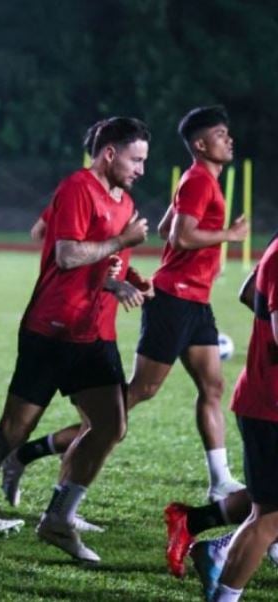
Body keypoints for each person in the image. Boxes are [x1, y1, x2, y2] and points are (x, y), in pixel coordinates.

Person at [0, 117, 150, 564]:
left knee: (111, 426)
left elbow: (106, 264)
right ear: (109, 153)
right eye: (135, 159)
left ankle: (58, 519)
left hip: (96, 334)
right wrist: (121, 239)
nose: (141, 169)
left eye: (144, 161)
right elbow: (67, 253)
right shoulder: (78, 187)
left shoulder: (125, 201)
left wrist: (128, 280)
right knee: (13, 431)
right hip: (51, 331)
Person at [131, 106, 248, 502]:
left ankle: (220, 481)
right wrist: (229, 235)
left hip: (196, 301)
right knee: (142, 391)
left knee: (213, 386)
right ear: (200, 144)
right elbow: (180, 238)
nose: (228, 139)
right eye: (220, 134)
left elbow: (168, 228)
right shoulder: (199, 179)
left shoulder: (201, 180)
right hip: (174, 299)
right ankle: (51, 447)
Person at [186, 230, 278, 601]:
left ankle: (216, 553)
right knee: (268, 520)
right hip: (271, 406)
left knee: (267, 515)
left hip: (264, 399)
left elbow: (247, 291)